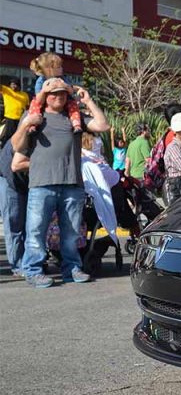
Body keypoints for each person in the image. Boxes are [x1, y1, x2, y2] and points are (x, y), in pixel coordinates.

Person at [11, 78, 110, 288]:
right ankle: (33, 270)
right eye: (54, 93)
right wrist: (27, 124)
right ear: (46, 96)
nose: (59, 97)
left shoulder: (75, 117)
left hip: (72, 184)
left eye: (63, 94)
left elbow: (103, 125)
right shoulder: (35, 116)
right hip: (41, 184)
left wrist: (89, 101)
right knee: (36, 230)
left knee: (72, 231)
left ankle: (72, 268)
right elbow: (16, 145)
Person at [0, 139, 30, 277]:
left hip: (25, 181)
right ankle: (18, 265)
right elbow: (11, 168)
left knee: (28, 226)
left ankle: (28, 261)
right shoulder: (24, 135)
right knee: (14, 224)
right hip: (10, 180)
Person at [1, 78, 30, 145]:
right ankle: (4, 149)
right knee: (7, 136)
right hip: (10, 118)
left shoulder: (24, 94)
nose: (14, 86)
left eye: (15, 84)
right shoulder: (7, 91)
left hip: (21, 119)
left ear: (19, 86)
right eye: (12, 84)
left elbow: (27, 107)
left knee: (18, 137)